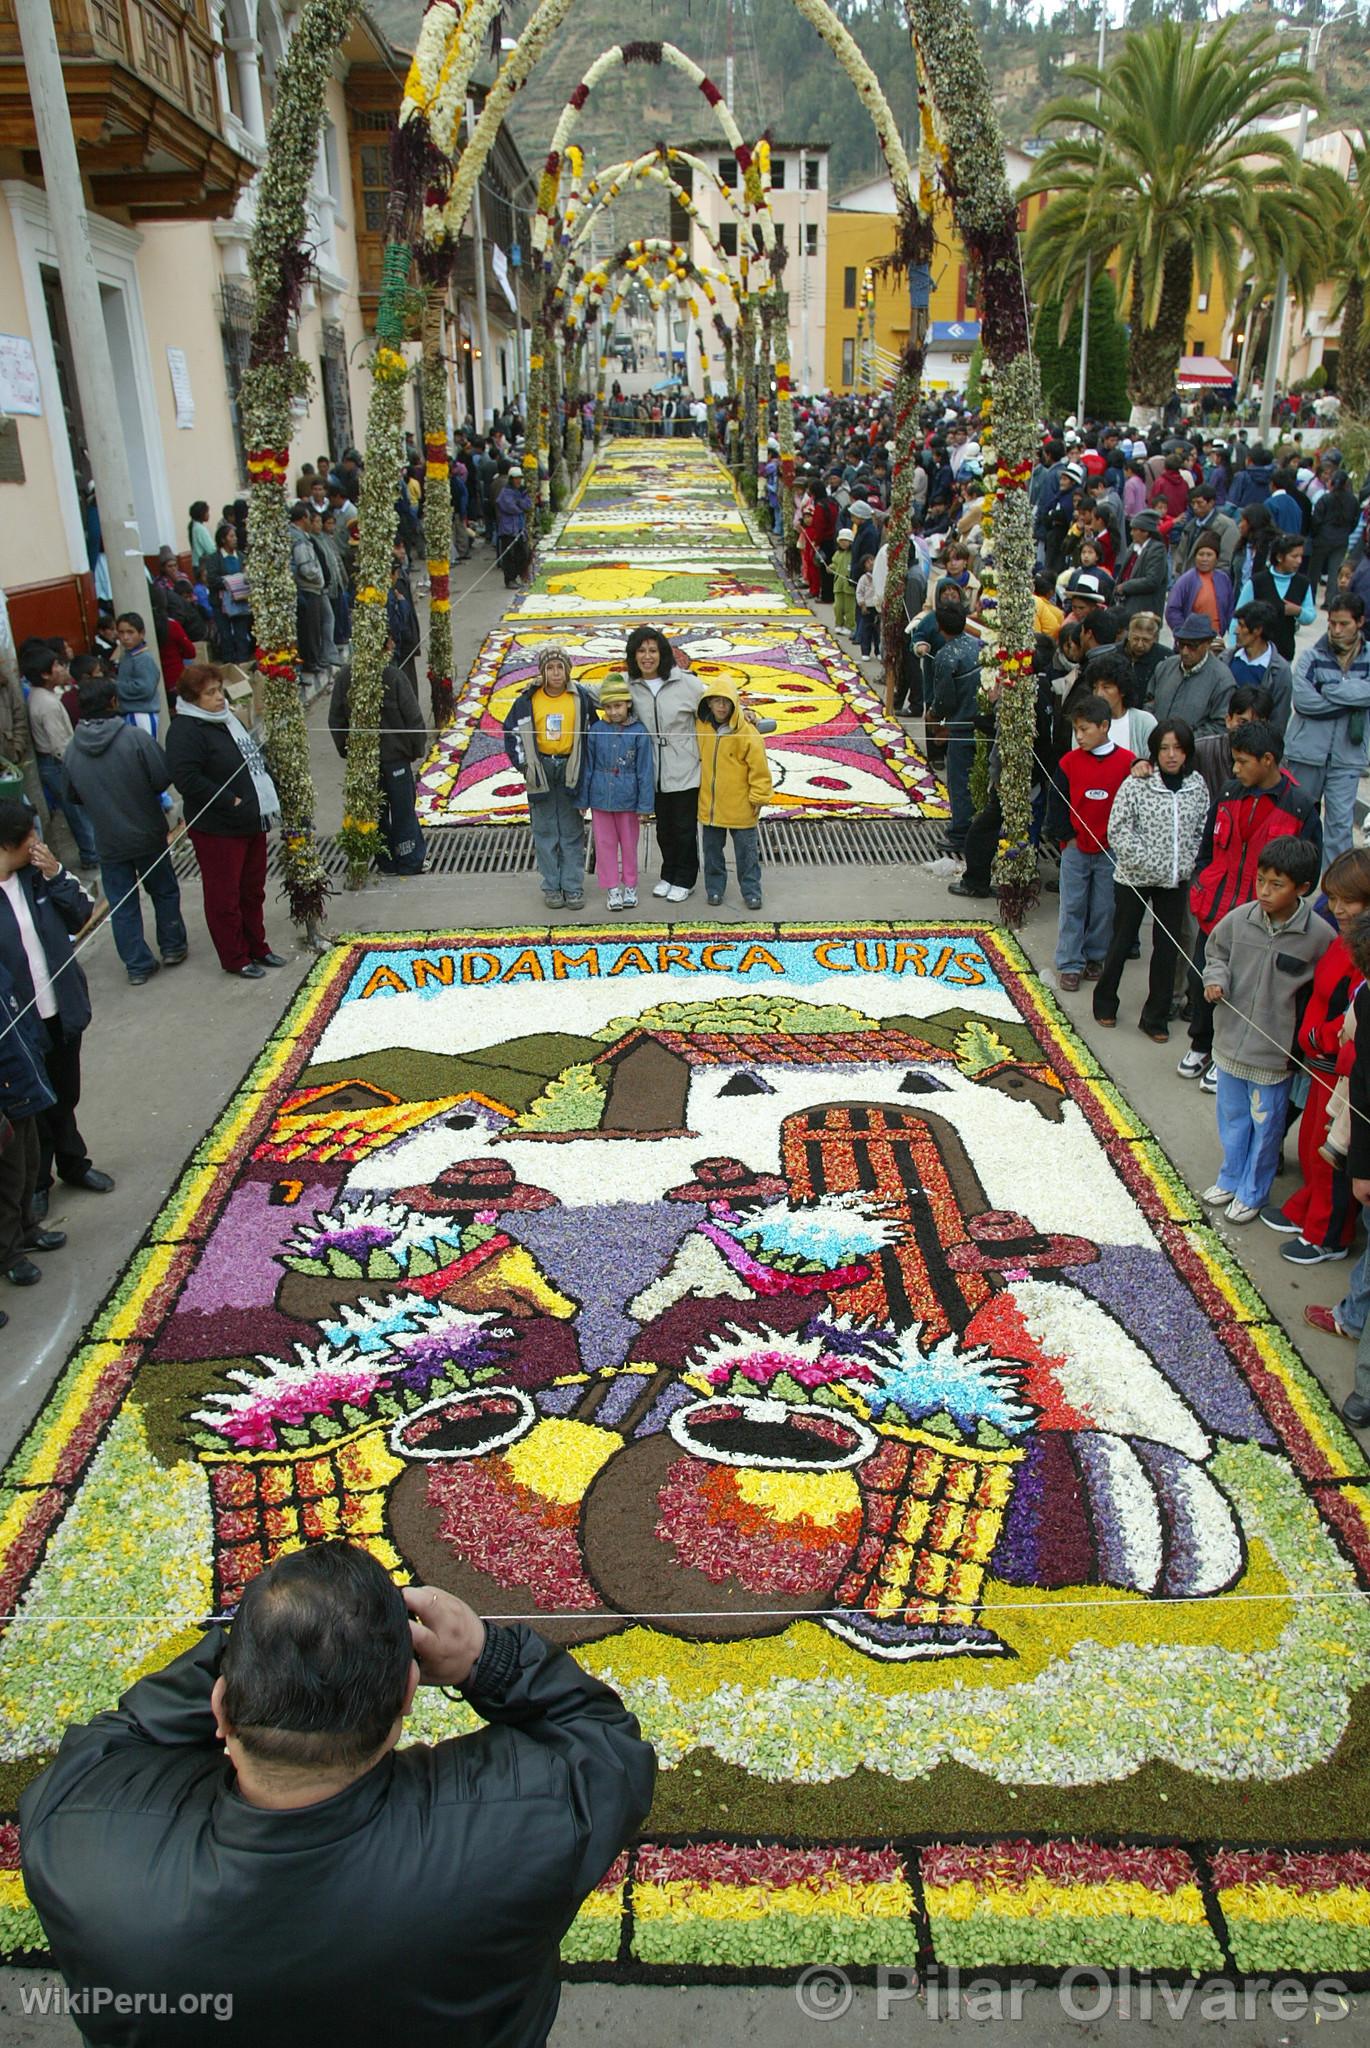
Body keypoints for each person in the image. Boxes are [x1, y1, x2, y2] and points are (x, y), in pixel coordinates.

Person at [20, 1540, 655, 2048]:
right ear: (408, 1696)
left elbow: (125, 1736)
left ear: (220, 1702)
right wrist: (484, 1659)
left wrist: (271, 1632)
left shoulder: (72, 1827)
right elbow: (605, 1746)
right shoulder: (521, 1825)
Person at [1180, 718, 1322, 1090]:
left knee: (1242, 990)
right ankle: (1201, 1043)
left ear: (1269, 760)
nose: (1235, 768)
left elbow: (1310, 867)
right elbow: (1207, 848)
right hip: (1217, 909)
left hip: (1262, 920)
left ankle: (1226, 1057)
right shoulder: (1229, 793)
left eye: (1243, 761)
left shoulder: (1301, 806)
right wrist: (1201, 879)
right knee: (1203, 978)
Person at [1201, 835, 1331, 1226]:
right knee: (1232, 1118)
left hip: (1274, 1055)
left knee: (1266, 1126)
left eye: (1277, 885)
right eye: (1260, 881)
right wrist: (1215, 978)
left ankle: (1253, 1191)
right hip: (1229, 1042)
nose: (1265, 892)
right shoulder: (1240, 919)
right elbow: (1216, 951)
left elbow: (1324, 991)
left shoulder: (1320, 936)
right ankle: (1230, 1176)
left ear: (1303, 888)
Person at [0, 799, 114, 1232]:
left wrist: (55, 874)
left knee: (65, 1093)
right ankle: (39, 1182)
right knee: (34, 1104)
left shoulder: (38, 877)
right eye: (30, 836)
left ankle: (73, 1163)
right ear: (10, 843)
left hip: (59, 1006)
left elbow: (83, 914)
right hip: (18, 1020)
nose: (37, 842)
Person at [1259, 848, 1370, 1261]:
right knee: (1310, 1144)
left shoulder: (1364, 950)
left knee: (1332, 1153)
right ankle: (1307, 1209)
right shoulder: (1344, 939)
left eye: (1349, 901)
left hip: (1341, 1066)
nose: (1338, 909)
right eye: (1333, 899)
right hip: (1319, 1061)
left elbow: (1354, 1017)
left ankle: (1329, 1236)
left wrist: (1321, 1038)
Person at [62, 677, 188, 986]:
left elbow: (72, 796)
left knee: (121, 903)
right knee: (163, 890)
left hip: (107, 840)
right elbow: (161, 778)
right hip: (147, 832)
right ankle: (172, 946)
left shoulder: (71, 752)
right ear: (114, 702)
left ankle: (137, 965)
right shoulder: (135, 738)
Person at [165, 665, 284, 980]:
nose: (219, 697)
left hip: (250, 821)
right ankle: (235, 957)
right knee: (225, 896)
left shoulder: (227, 720)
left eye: (220, 690)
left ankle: (258, 946)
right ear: (193, 699)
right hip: (218, 828)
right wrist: (229, 800)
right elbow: (186, 778)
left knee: (252, 890)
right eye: (210, 693)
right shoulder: (185, 730)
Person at [1093, 720, 1208, 1041]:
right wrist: (1144, 861)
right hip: (1134, 877)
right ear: (1154, 751)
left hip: (1175, 879)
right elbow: (1118, 828)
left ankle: (1155, 1017)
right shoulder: (1138, 782)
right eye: (1164, 748)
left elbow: (1201, 827)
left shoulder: (1196, 785)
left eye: (1178, 748)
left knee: (1167, 950)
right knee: (1121, 941)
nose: (1171, 756)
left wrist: (1184, 861)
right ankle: (1105, 1003)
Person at [502, 646, 596, 911]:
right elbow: (511, 733)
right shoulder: (527, 701)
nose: (556, 673)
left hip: (570, 767)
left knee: (571, 831)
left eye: (560, 667)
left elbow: (593, 732)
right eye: (550, 668)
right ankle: (552, 886)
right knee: (544, 831)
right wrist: (525, 766)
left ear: (568, 670)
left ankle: (573, 886)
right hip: (540, 768)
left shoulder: (580, 698)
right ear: (542, 672)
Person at [1053, 695, 1134, 992]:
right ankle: (1070, 962)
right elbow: (1057, 802)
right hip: (1076, 848)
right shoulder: (1069, 763)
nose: (1079, 736)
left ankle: (1096, 956)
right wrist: (1066, 837)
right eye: (1076, 730)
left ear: (1104, 726)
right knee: (1072, 905)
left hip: (1109, 850)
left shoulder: (1127, 763)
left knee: (1103, 906)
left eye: (1085, 729)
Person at [329, 640, 428, 877]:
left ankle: (386, 862)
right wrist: (414, 750)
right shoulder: (393, 676)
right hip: (396, 760)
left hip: (365, 761)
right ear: (385, 646)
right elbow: (413, 718)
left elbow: (336, 720)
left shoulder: (345, 676)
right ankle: (409, 860)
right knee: (402, 810)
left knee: (376, 811)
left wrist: (348, 751)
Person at [1282, 595, 1370, 862]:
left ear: (1360, 622)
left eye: (1344, 624)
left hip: (1348, 756)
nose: (1336, 630)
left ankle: (1336, 891)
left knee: (1340, 827)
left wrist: (1328, 690)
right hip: (1306, 752)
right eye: (1332, 623)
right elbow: (1304, 702)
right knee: (1294, 821)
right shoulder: (1312, 656)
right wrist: (1351, 700)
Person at [0, 947, 57, 1299]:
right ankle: (8, 1253)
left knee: (29, 1162)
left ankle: (27, 1228)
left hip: (22, 1078)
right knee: (8, 1178)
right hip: (6, 1092)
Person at [696, 678, 774, 910]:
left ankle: (751, 891)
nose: (721, 707)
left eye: (726, 702)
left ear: (735, 705)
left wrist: (759, 798)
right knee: (711, 853)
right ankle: (715, 889)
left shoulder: (747, 733)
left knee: (747, 854)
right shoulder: (701, 725)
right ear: (708, 703)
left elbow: (759, 768)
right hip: (710, 805)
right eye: (716, 701)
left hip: (741, 807)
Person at [21, 644, 98, 870]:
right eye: (55, 665)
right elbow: (60, 745)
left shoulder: (40, 696)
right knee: (76, 811)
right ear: (45, 673)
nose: (61, 668)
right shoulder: (47, 703)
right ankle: (91, 854)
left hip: (54, 762)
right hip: (58, 764)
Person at [581, 675, 653, 912]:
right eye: (609, 707)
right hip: (601, 799)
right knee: (605, 845)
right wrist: (584, 800)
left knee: (629, 844)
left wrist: (645, 806)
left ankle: (630, 885)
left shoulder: (639, 732)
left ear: (628, 704)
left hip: (629, 799)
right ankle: (612, 887)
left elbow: (645, 770)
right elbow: (588, 767)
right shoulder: (596, 731)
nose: (613, 712)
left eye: (618, 706)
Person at [928, 595, 982, 861]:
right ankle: (975, 828)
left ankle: (961, 833)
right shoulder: (978, 646)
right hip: (982, 722)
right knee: (980, 778)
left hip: (962, 725)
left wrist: (935, 718)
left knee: (960, 781)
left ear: (940, 627)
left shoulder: (946, 656)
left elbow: (944, 699)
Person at [1231, 530, 1315, 664]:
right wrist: (1233, 648)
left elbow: (1310, 616)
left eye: (1301, 556)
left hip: (1284, 653)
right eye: (1294, 556)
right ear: (1280, 557)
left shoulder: (1303, 583)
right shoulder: (1257, 582)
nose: (1299, 561)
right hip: (1253, 653)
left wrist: (1298, 611)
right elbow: (1237, 617)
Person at [1149, 614, 1234, 735]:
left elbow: (1220, 726)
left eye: (1192, 646)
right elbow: (1149, 702)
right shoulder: (1165, 667)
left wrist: (1184, 741)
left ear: (1208, 643)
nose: (1185, 651)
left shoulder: (1222, 680)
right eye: (1181, 644)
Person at [1194, 684, 1276, 802]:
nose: (1249, 730)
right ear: (1228, 720)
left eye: (1256, 724)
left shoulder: (1272, 760)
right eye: (1243, 722)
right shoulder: (1201, 750)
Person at [1222, 601, 1293, 735]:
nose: (1236, 631)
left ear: (1258, 630)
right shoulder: (1226, 659)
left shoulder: (1279, 671)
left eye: (1241, 626)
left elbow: (1279, 719)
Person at [288, 501, 329, 685]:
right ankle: (311, 661)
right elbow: (305, 567)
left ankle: (315, 658)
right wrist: (317, 577)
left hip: (312, 588)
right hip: (309, 589)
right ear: (303, 518)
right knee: (310, 629)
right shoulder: (299, 540)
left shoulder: (301, 537)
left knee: (315, 627)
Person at [1165, 536, 1234, 640]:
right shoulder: (1186, 580)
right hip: (1193, 639)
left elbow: (1230, 609)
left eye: (1209, 555)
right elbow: (1172, 610)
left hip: (1217, 638)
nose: (1204, 559)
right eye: (1201, 554)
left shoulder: (1223, 579)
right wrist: (1183, 633)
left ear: (1216, 558)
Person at [1172, 485, 1239, 577]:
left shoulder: (1226, 526)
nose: (1195, 507)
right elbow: (1180, 556)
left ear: (1211, 503)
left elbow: (1225, 561)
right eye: (1193, 503)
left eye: (1199, 503)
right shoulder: (1190, 525)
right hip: (1186, 580)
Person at [114, 612, 162, 737]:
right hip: (130, 712)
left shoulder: (143, 658)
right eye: (121, 632)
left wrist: (115, 686)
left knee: (145, 752)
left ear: (141, 634)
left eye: (130, 632)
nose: (125, 637)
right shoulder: (127, 656)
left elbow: (144, 688)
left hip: (142, 714)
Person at [1113, 511, 1168, 619]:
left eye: (1134, 529)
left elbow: (1152, 581)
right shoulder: (1133, 547)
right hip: (1126, 606)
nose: (1131, 533)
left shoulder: (1157, 550)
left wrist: (1125, 586)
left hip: (1144, 609)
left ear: (1145, 532)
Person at [495, 467, 533, 588]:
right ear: (511, 479)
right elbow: (511, 507)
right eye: (516, 478)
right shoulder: (505, 492)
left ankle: (519, 574)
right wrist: (520, 504)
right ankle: (510, 579)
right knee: (508, 556)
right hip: (508, 529)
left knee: (523, 554)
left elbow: (528, 505)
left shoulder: (522, 491)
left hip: (520, 529)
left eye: (520, 478)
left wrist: (519, 502)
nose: (518, 481)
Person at [831, 527, 856, 635]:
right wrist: (831, 568)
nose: (843, 543)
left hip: (849, 586)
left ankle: (849, 625)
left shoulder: (853, 554)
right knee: (838, 606)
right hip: (838, 585)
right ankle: (838, 623)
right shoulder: (837, 553)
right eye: (841, 541)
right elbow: (834, 565)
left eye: (846, 541)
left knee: (850, 608)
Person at [188, 500, 215, 574]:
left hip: (197, 564)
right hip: (202, 565)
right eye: (207, 512)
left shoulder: (195, 526)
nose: (208, 515)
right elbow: (211, 549)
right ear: (201, 514)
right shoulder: (200, 529)